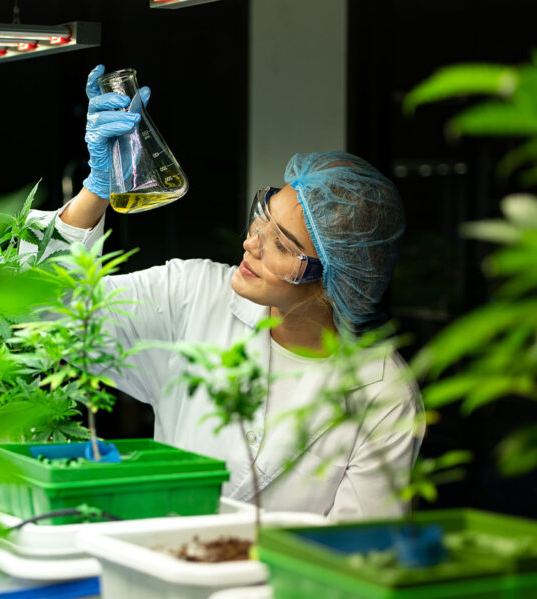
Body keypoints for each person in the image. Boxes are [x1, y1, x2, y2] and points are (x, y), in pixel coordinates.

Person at [27, 65, 425, 520]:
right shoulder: (192, 295)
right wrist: (96, 190)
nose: (250, 242)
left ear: (336, 280)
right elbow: (44, 309)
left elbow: (356, 557)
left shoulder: (384, 395)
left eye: (280, 243)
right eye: (261, 216)